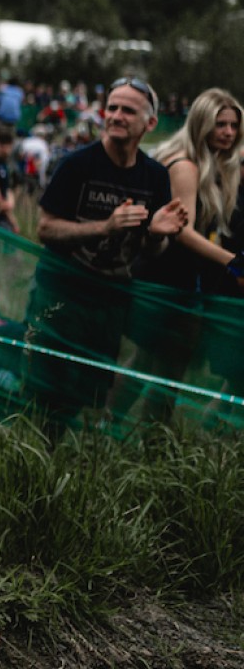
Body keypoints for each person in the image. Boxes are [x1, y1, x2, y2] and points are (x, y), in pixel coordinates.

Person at [25, 76, 187, 434]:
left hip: (111, 302)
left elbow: (152, 249)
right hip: (62, 297)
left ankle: (71, 474)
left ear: (150, 123)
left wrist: (157, 234)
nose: (115, 116)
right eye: (111, 107)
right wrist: (105, 227)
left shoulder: (155, 177)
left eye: (127, 110)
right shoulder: (77, 164)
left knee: (91, 398)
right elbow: (46, 229)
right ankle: (31, 470)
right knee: (47, 396)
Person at [112, 87, 242, 423]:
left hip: (173, 279)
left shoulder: (213, 162)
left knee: (149, 362)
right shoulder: (185, 165)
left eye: (233, 125)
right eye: (220, 124)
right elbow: (181, 231)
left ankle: (107, 425)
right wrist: (231, 261)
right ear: (201, 124)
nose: (228, 132)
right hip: (166, 279)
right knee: (167, 367)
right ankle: (148, 437)